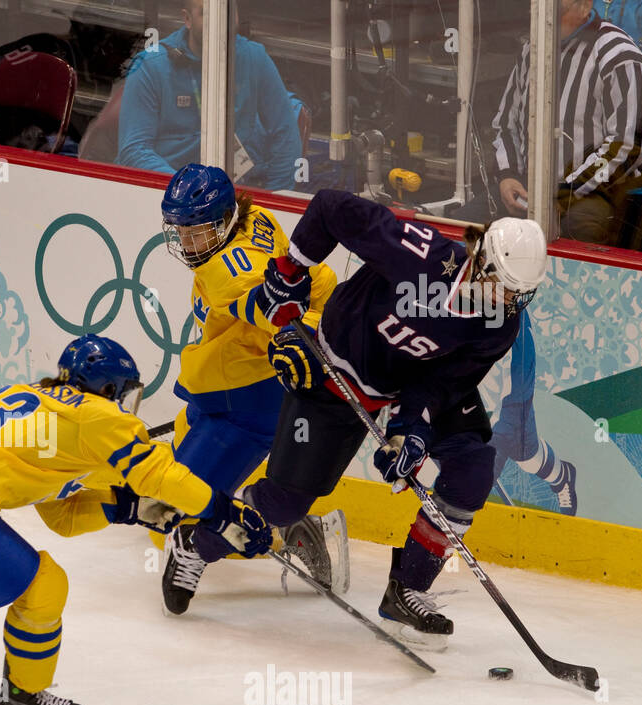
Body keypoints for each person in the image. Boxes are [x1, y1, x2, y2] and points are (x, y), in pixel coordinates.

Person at [0, 334, 274, 705]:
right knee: (45, 584)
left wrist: (128, 509)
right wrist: (222, 512)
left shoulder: (34, 400)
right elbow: (158, 473)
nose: (123, 402)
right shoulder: (97, 415)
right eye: (123, 392)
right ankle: (24, 697)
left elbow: (60, 515)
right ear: (108, 387)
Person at [240, 190, 548, 650]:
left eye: (519, 294)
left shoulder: (500, 325)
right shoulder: (420, 256)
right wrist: (291, 271)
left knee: (472, 468)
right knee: (284, 505)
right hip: (342, 365)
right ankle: (207, 527)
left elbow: (444, 384)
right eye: (504, 287)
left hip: (407, 383)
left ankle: (406, 590)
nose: (508, 302)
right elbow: (328, 207)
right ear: (480, 263)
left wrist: (413, 431)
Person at [156, 163, 346, 614]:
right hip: (217, 380)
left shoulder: (230, 272)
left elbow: (279, 312)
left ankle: (284, 531)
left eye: (196, 232)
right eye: (180, 230)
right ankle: (286, 519)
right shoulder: (254, 217)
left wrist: (314, 333)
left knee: (183, 507)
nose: (186, 243)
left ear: (222, 224)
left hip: (249, 398)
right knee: (169, 498)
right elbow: (308, 282)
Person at [491, 0, 642, 245]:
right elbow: (506, 123)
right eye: (538, 10)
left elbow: (629, 147)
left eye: (556, 11)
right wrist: (508, 175)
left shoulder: (620, 57)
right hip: (528, 188)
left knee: (577, 229)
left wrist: (566, 192)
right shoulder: (531, 49)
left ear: (585, 6)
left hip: (600, 193)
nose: (543, 19)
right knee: (468, 223)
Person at [117, 0, 302, 190]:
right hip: (169, 191)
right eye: (206, 14)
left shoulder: (254, 58)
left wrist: (273, 198)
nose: (222, 23)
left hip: (234, 192)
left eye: (229, 12)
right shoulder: (151, 66)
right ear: (187, 19)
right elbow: (134, 151)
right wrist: (193, 190)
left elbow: (286, 135)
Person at [489, 308, 578, 515]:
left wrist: (487, 465)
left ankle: (562, 476)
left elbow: (511, 412)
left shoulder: (507, 317)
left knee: (526, 456)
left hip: (507, 394)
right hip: (477, 380)